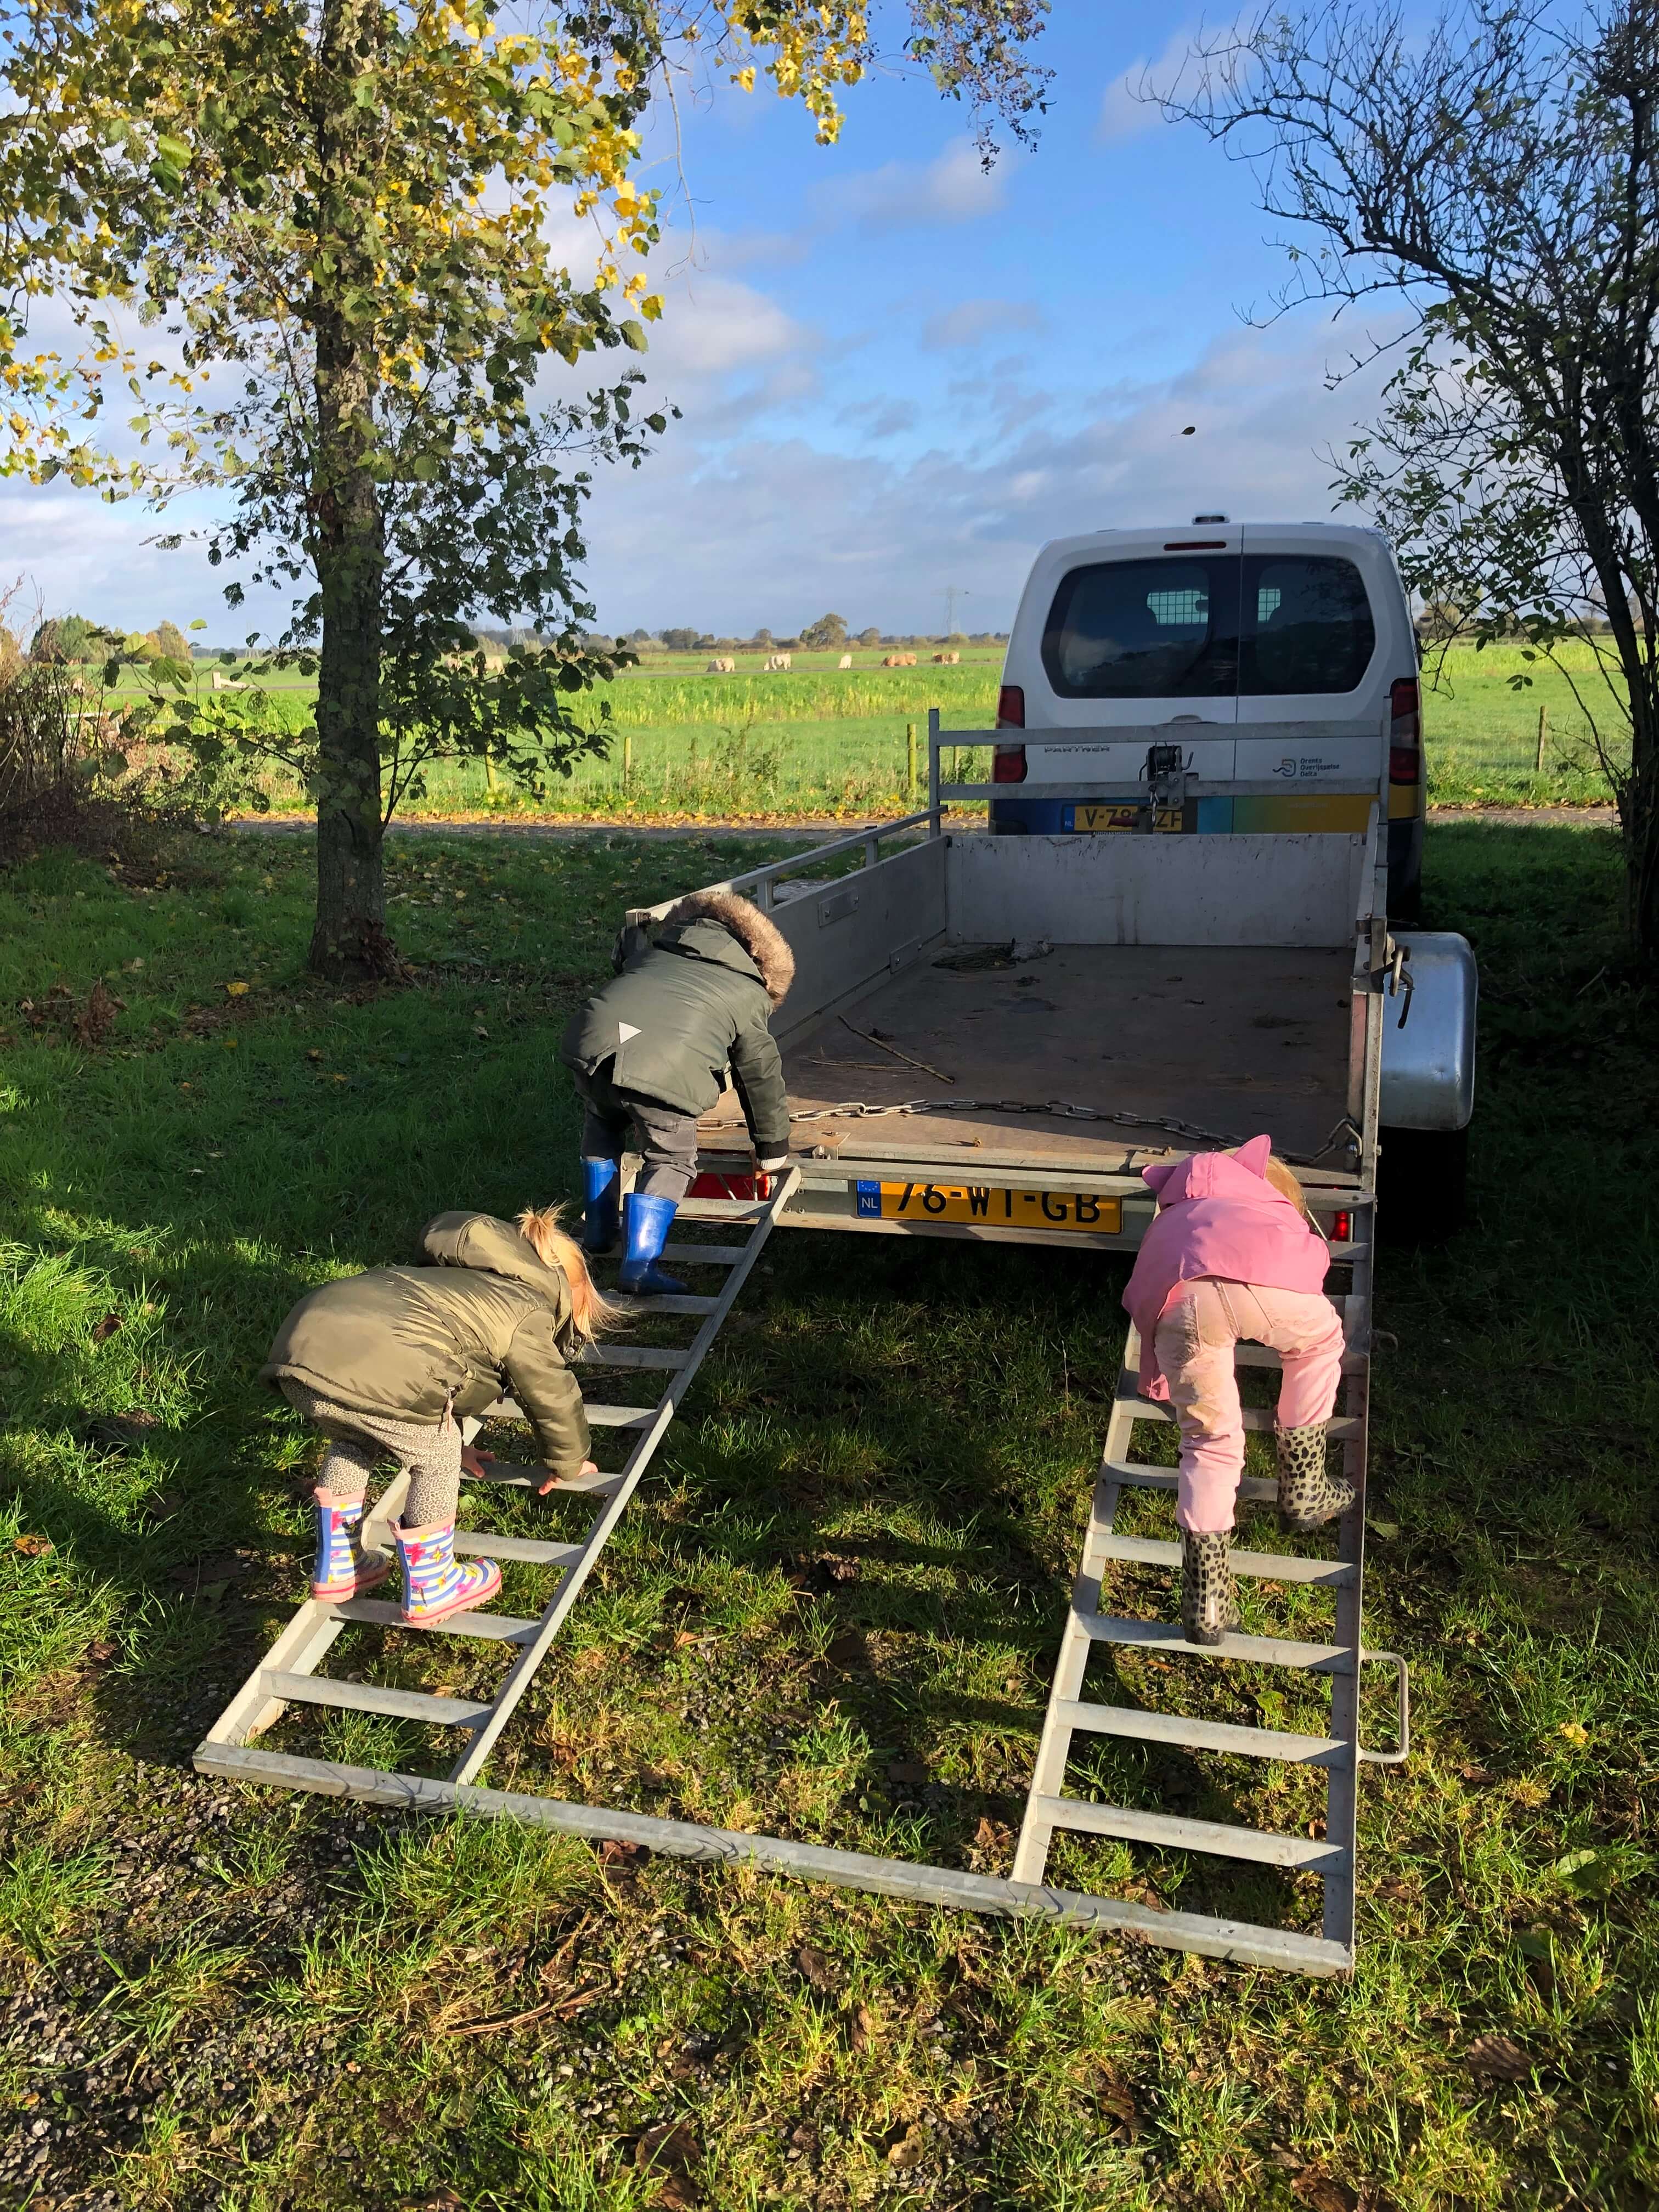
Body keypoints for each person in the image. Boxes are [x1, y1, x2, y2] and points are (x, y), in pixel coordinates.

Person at [261, 1208, 615, 1627]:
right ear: (564, 1287)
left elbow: (442, 1365)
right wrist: (567, 1461)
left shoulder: (451, 1283)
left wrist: (457, 1439)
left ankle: (341, 1564)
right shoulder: (523, 1306)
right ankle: (434, 1583)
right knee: (435, 1456)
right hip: (378, 1363)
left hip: (301, 1353)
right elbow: (550, 1390)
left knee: (354, 1440)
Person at [1121, 1135, 1353, 1646]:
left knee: (1208, 1442)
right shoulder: (1263, 1196)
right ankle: (1306, 1486)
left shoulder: (1169, 1220)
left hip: (1182, 1301)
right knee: (1317, 1345)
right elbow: (1309, 1259)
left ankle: (1206, 1604)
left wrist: (1160, 1373)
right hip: (1268, 1282)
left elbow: (1143, 1303)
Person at [560, 889, 795, 1296]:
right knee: (671, 1157)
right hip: (662, 1071)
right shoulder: (746, 989)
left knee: (604, 1122)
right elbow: (759, 1073)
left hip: (591, 1048)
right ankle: (640, 1266)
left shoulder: (653, 956)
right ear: (760, 961)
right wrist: (771, 1146)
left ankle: (598, 1235)